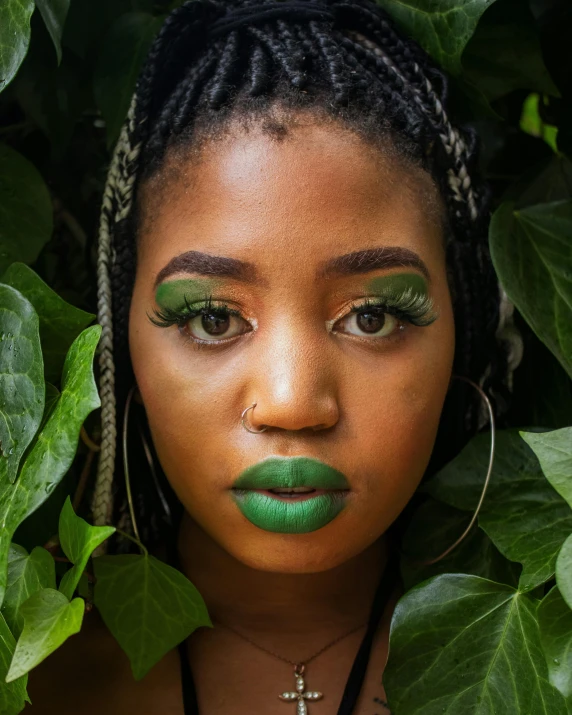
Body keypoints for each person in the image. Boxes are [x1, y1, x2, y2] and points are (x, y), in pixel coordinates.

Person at [28, 0, 511, 712]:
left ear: (463, 333)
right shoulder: (35, 682)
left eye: (372, 316)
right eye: (214, 317)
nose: (291, 402)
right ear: (119, 340)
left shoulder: (521, 664)